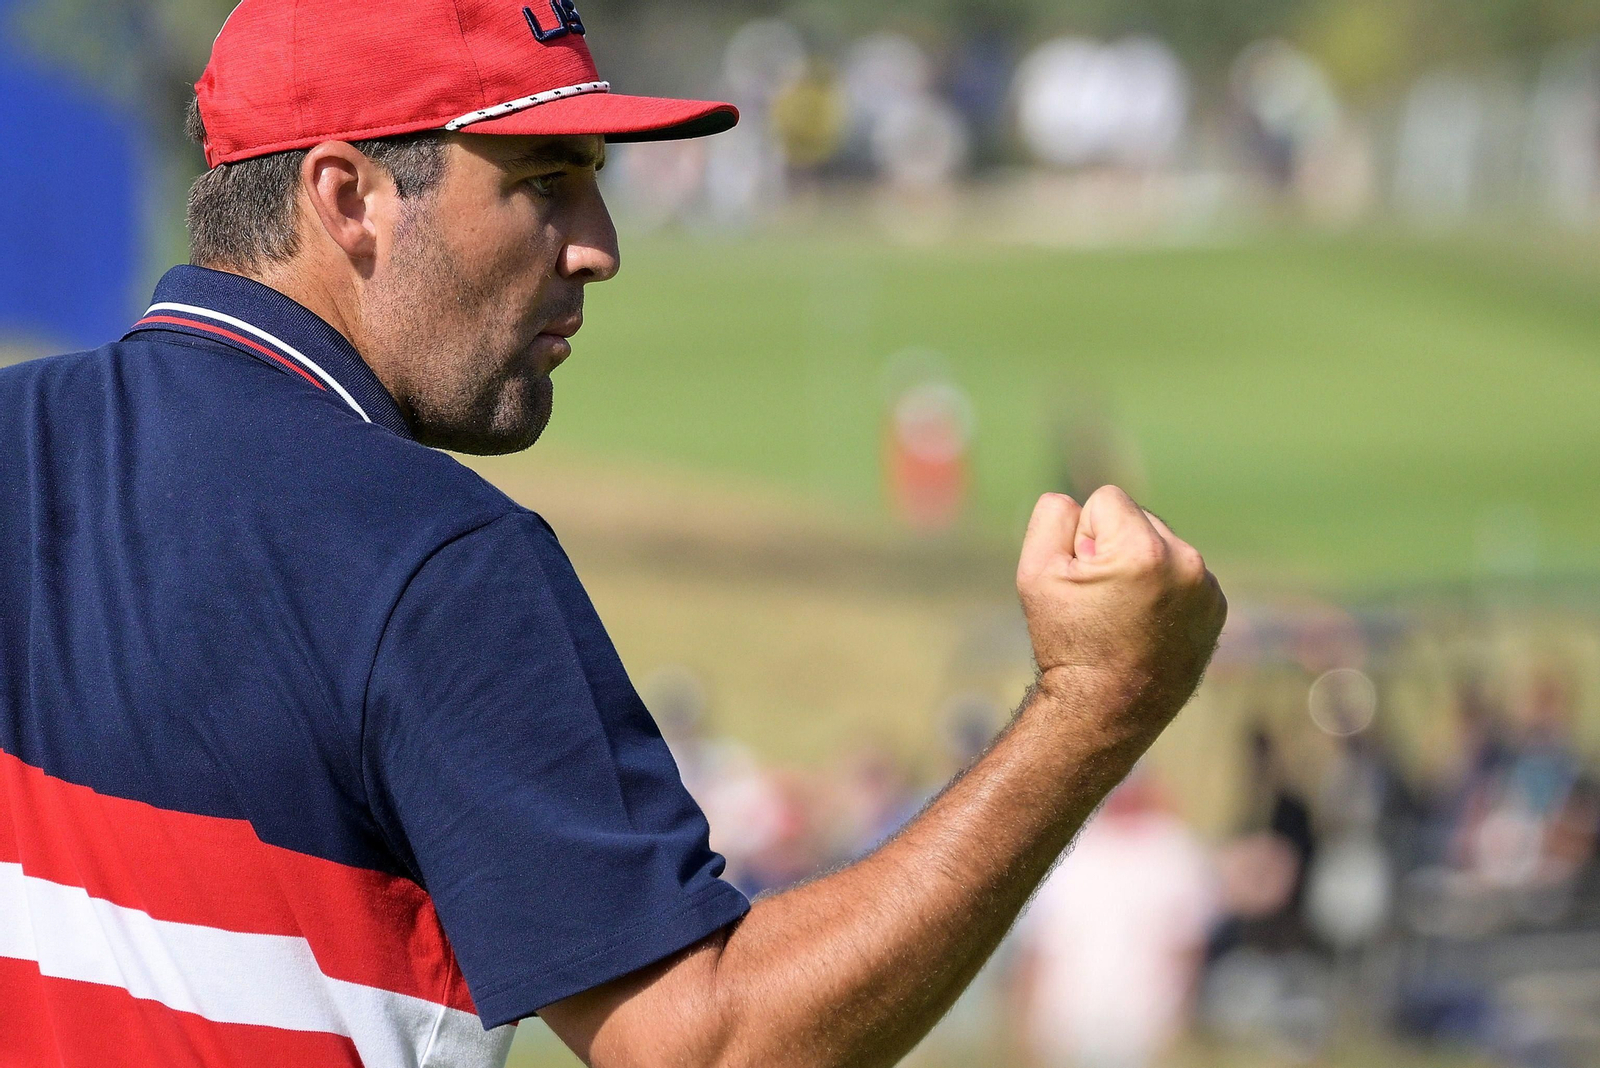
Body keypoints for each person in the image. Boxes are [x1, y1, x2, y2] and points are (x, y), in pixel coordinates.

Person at [0, 1, 1227, 1065]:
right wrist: (1096, 698)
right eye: (542, 182)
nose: (601, 245)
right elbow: (708, 1043)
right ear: (346, 196)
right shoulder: (434, 557)